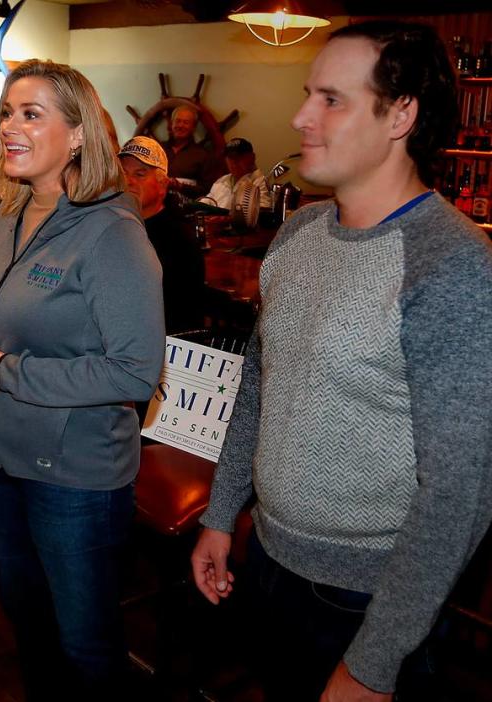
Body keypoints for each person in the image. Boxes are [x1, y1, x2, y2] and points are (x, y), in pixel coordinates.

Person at [190, 21, 492, 702]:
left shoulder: (451, 263)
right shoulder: (298, 231)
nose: (301, 117)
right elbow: (258, 389)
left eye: (332, 99)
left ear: (402, 113)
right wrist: (220, 513)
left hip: (367, 596)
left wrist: (374, 662)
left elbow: (461, 492)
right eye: (308, 95)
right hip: (268, 559)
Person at [0, 60, 164, 699]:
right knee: (28, 623)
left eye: (31, 114)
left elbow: (135, 371)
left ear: (80, 134)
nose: (10, 126)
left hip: (75, 478)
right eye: (7, 112)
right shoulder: (7, 217)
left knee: (86, 645)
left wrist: (2, 370)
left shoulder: (111, 232)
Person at [119, 136, 204, 332]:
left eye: (140, 174)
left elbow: (178, 314)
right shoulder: (114, 224)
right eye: (123, 173)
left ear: (162, 186)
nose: (128, 181)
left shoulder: (178, 240)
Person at [163, 104, 223, 198]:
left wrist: (180, 186)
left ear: (193, 127)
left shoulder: (203, 155)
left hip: (185, 208)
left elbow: (207, 190)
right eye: (177, 121)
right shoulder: (158, 148)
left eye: (186, 122)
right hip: (152, 204)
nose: (180, 125)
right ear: (171, 124)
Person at [202, 137, 270, 212]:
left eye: (239, 157)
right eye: (230, 157)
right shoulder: (222, 180)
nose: (234, 162)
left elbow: (263, 212)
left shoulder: (259, 181)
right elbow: (207, 201)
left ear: (252, 157)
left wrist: (227, 219)